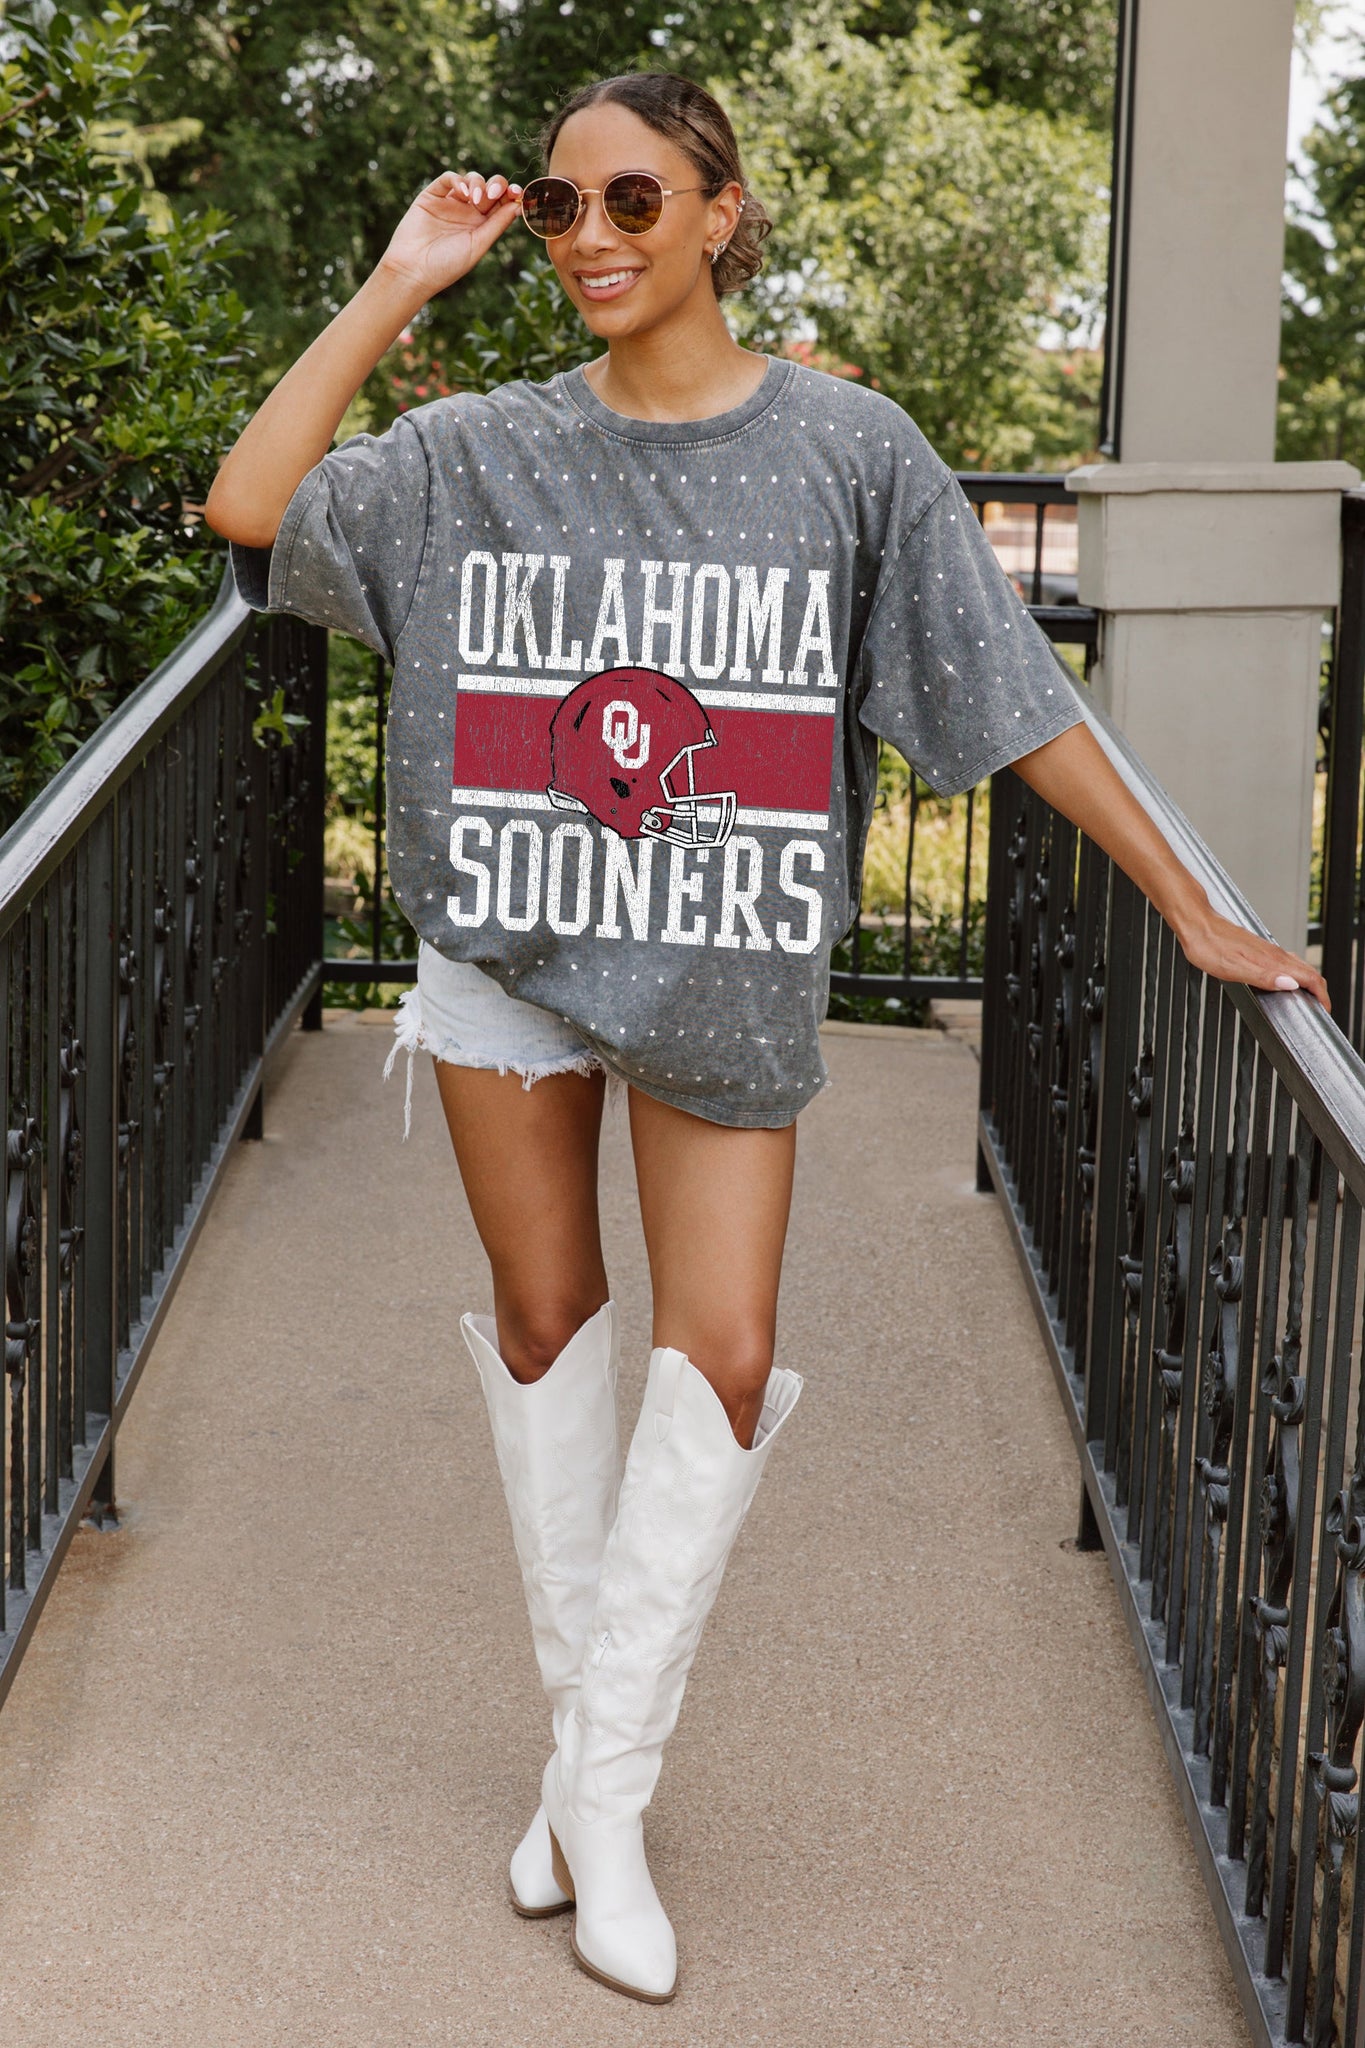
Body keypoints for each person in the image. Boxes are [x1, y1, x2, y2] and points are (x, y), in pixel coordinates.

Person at [205, 70, 1326, 2005]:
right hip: (508, 953)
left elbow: (1005, 689)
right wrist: (401, 280)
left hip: (722, 964)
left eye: (634, 197)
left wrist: (1180, 899)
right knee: (549, 1327)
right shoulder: (479, 448)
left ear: (722, 210)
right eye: (560, 206)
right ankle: (603, 1794)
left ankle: (590, 1785)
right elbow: (250, 505)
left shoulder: (847, 452)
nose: (592, 236)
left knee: (719, 1359)